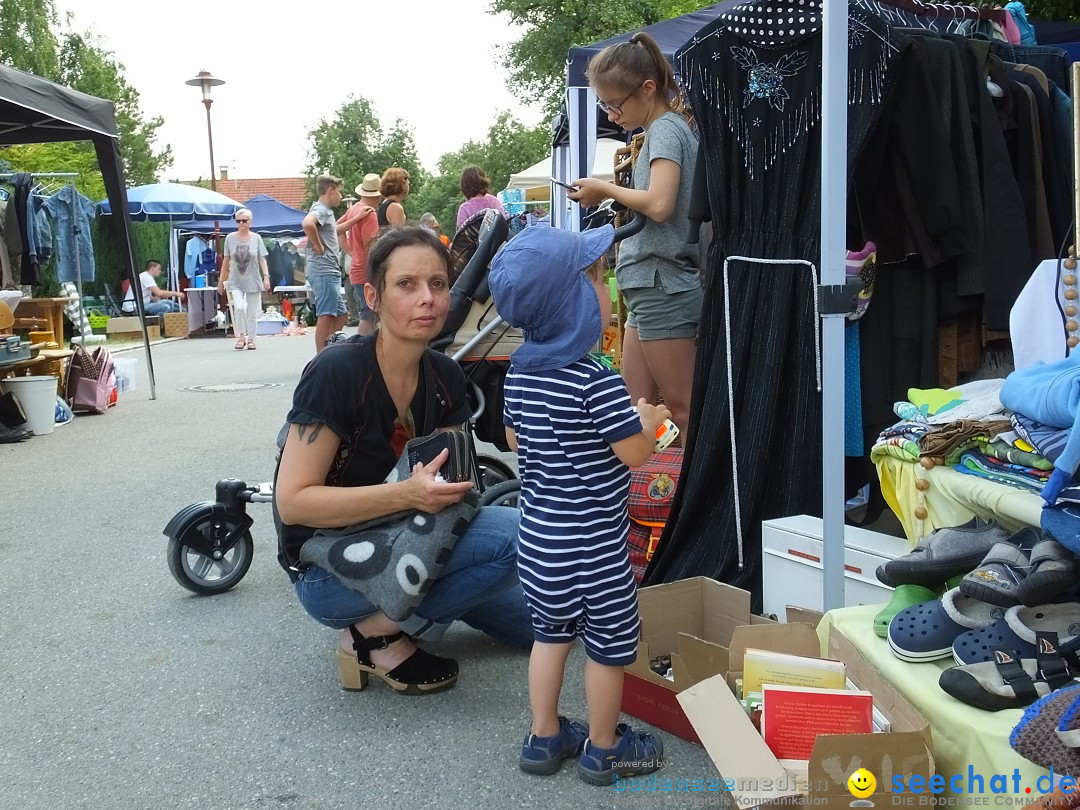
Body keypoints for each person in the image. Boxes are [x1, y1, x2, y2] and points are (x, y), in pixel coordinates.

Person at [274, 225, 533, 697]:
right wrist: (408, 494)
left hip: (421, 546)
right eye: (407, 285)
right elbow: (293, 503)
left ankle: (412, 612)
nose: (428, 299)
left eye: (437, 284)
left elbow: (456, 489)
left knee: (535, 629)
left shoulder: (446, 376)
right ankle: (371, 634)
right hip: (331, 566)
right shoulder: (337, 371)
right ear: (373, 295)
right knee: (518, 537)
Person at [489, 225, 667, 785]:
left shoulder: (518, 372)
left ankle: (544, 738)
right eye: (597, 277)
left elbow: (517, 440)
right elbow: (636, 454)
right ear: (576, 300)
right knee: (608, 650)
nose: (607, 286)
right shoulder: (596, 380)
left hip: (539, 538)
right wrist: (649, 420)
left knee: (550, 637)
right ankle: (604, 746)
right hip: (595, 546)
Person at [568, 31, 700, 439]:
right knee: (635, 410)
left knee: (682, 408)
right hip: (648, 285)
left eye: (614, 104)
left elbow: (659, 205)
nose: (610, 114)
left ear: (648, 88)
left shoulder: (665, 130)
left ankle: (696, 500)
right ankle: (647, 496)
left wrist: (603, 188)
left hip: (663, 284)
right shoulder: (663, 130)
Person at [302, 175, 370, 352]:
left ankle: (329, 347)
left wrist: (356, 219)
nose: (341, 197)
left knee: (341, 314)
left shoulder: (326, 212)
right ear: (330, 191)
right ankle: (321, 356)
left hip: (329, 270)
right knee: (326, 314)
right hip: (323, 269)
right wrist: (318, 245)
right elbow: (307, 223)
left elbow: (334, 230)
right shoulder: (321, 209)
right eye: (339, 193)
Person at [217, 208, 270, 350]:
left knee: (252, 312)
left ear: (250, 222)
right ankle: (241, 336)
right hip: (236, 279)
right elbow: (226, 261)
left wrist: (266, 277)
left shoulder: (256, 238)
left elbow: (262, 259)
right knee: (239, 307)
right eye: (238, 221)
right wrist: (221, 281)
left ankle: (251, 339)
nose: (241, 223)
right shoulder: (230, 238)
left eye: (244, 221)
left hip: (253, 279)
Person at [340, 173, 381, 336]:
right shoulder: (369, 213)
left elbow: (337, 228)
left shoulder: (354, 209)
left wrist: (349, 250)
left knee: (367, 313)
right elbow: (371, 244)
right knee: (369, 315)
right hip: (366, 270)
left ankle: (365, 349)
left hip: (356, 267)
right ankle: (364, 350)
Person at [456, 166, 505, 231]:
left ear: (464, 186)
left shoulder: (464, 208)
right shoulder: (494, 201)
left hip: (474, 240)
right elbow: (503, 224)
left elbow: (461, 233)